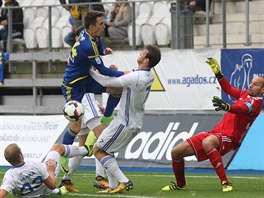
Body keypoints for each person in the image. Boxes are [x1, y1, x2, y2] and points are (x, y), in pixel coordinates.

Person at [162, 58, 264, 192]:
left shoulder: (256, 104)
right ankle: (180, 185)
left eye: (255, 84)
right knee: (176, 152)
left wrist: (227, 106)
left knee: (207, 142)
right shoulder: (244, 94)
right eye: (251, 82)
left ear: (262, 90)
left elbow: (243, 109)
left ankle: (225, 183)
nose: (250, 85)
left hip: (230, 138)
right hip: (216, 133)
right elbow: (228, 89)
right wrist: (218, 74)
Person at [60, 10, 126, 191]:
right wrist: (126, 74)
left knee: (83, 144)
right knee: (102, 137)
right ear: (91, 27)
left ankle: (66, 178)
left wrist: (103, 51)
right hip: (75, 88)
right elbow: (103, 70)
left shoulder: (90, 36)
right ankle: (64, 156)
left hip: (85, 82)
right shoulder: (87, 44)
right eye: (100, 23)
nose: (103, 25)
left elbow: (98, 45)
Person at [87, 45, 161, 193]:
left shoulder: (137, 77)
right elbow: (124, 81)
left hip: (125, 122)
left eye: (143, 53)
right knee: (108, 150)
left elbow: (106, 83)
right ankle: (113, 186)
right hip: (130, 121)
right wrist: (114, 72)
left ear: (146, 60)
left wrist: (87, 69)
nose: (140, 53)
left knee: (98, 151)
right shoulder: (147, 74)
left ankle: (124, 181)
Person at [0, 143, 90, 197]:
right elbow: (52, 185)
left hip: (28, 194)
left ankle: (56, 192)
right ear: (20, 155)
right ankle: (86, 150)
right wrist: (51, 170)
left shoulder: (9, 176)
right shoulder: (35, 165)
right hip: (46, 190)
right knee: (57, 147)